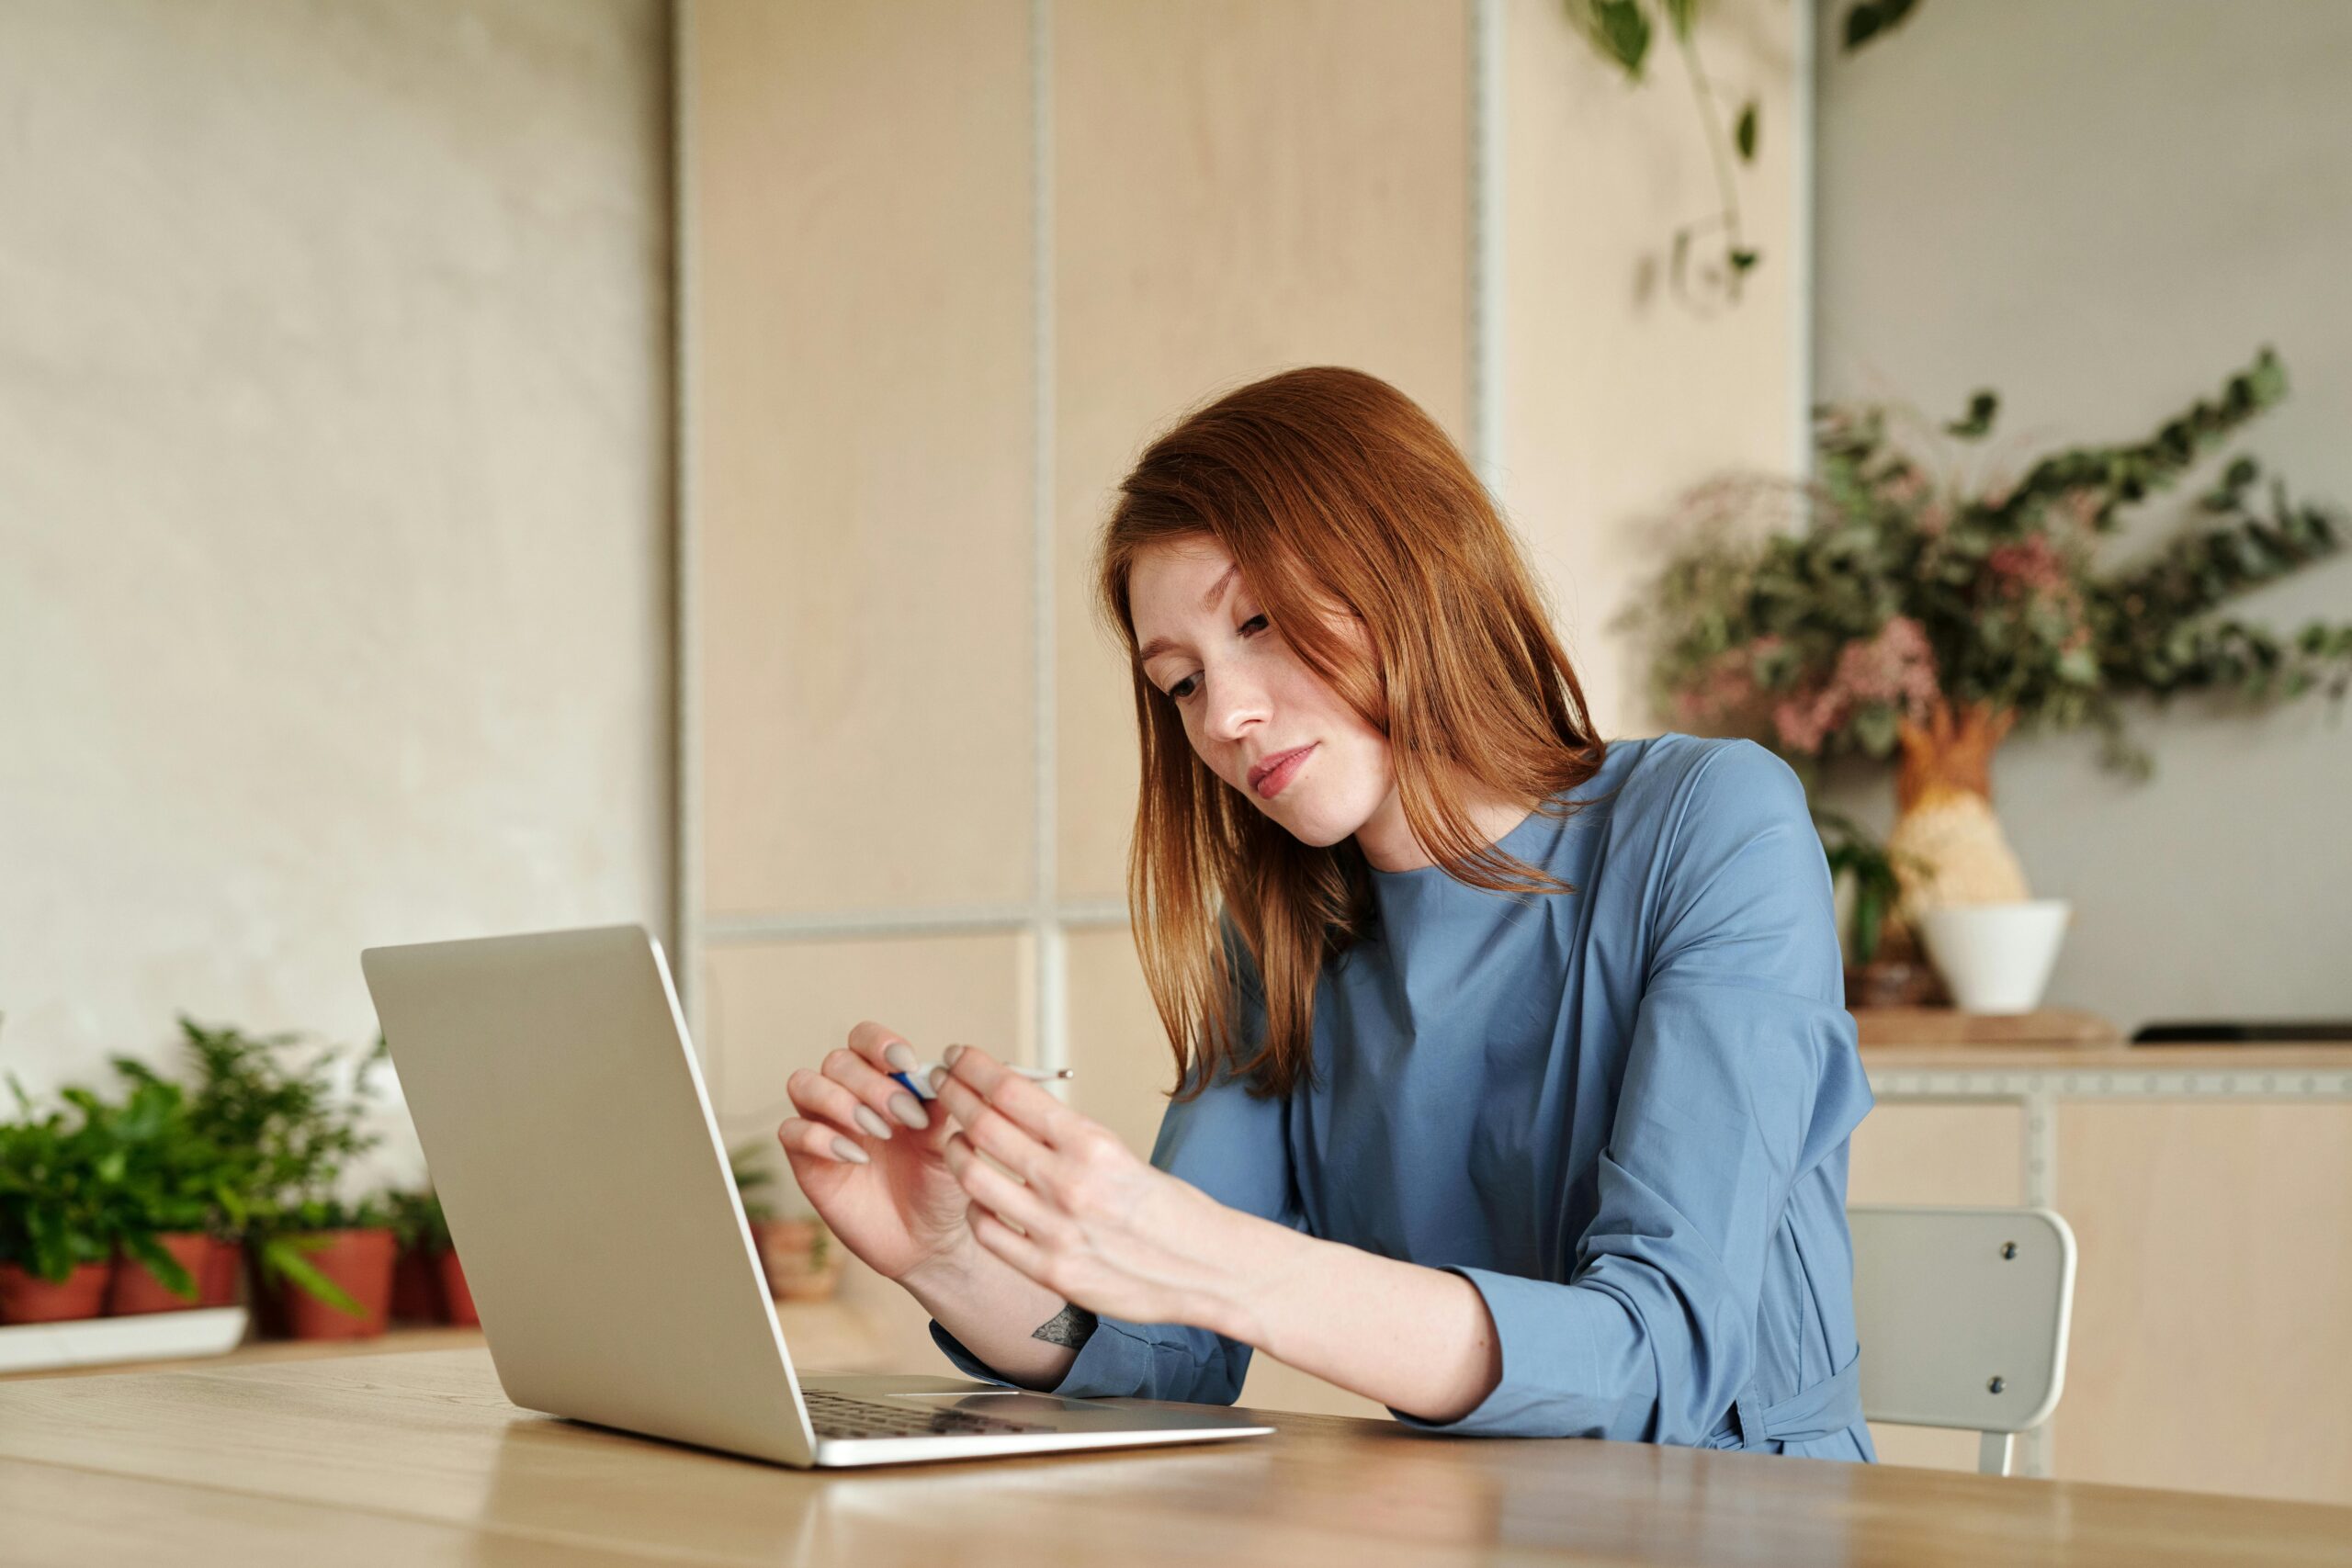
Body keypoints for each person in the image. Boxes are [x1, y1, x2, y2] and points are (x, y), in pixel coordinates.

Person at [775, 366, 1876, 1457]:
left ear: (1410, 569)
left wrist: (1220, 1258)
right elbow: (1172, 1359)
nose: (1227, 718)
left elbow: (1666, 1354)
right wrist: (949, 1259)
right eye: (1183, 682)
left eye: (1257, 623)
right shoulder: (1281, 936)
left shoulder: (1713, 821)